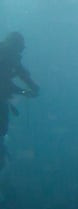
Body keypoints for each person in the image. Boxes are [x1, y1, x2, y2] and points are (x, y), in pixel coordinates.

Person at [0, 31, 41, 170]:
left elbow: (21, 72)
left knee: (3, 128)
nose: (20, 51)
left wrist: (32, 85)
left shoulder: (9, 56)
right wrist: (23, 91)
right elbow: (4, 83)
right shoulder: (4, 56)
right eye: (19, 48)